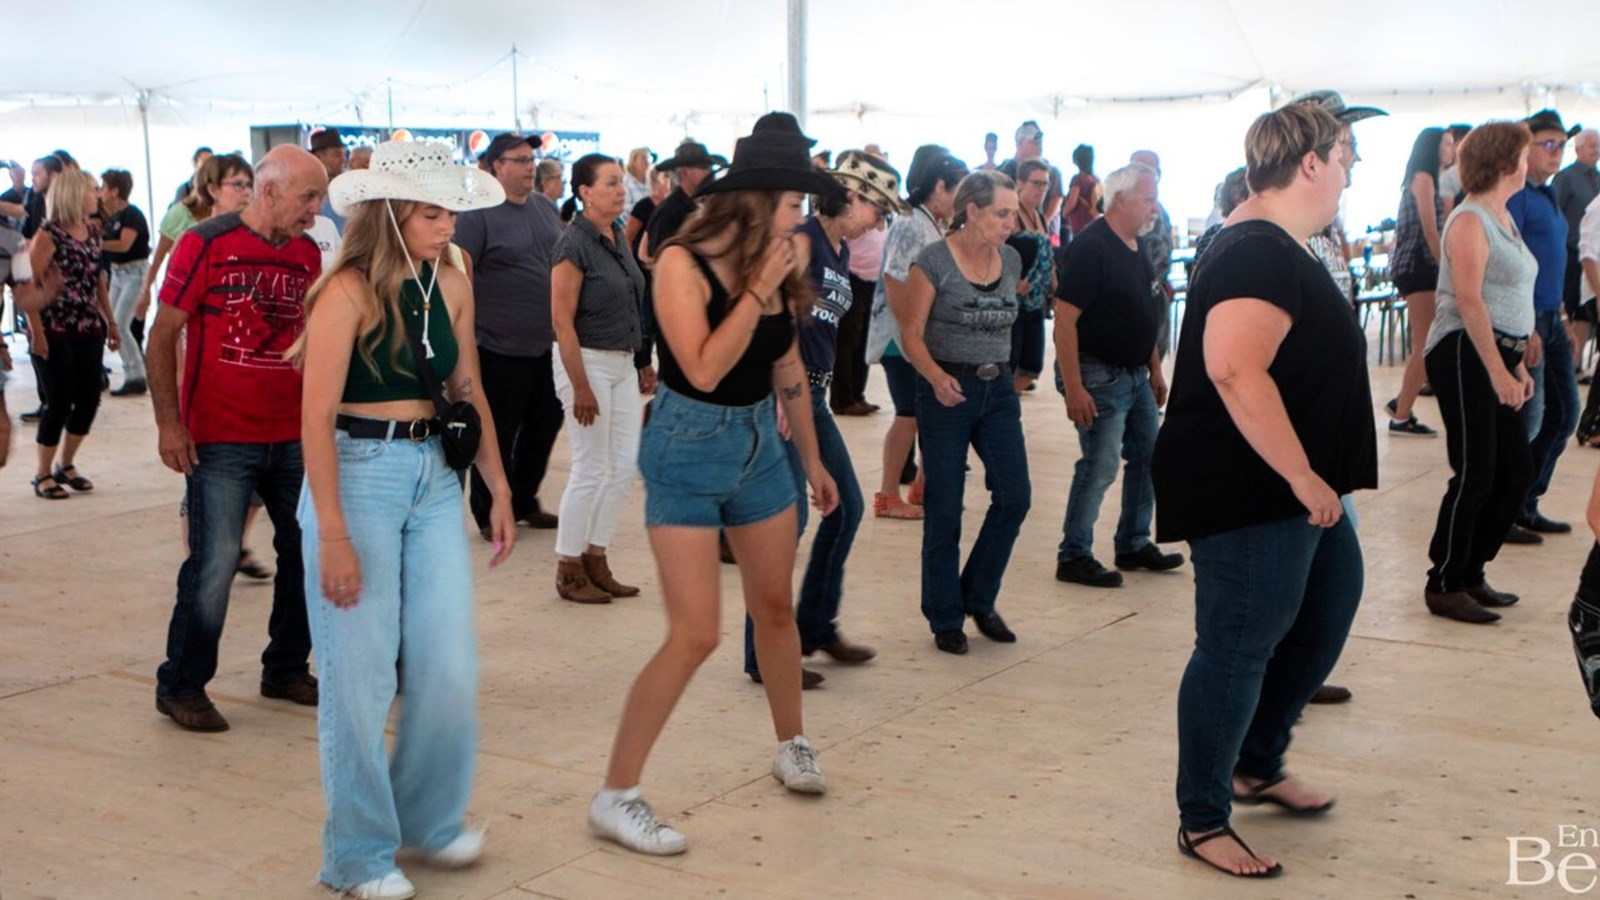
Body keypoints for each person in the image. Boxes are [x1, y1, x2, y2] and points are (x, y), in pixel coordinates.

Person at [588, 112, 841, 856]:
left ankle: (792, 744)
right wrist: (757, 289)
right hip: (687, 445)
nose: (801, 216)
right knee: (696, 633)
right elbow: (700, 369)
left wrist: (814, 459)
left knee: (775, 609)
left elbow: (785, 362)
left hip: (762, 443)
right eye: (793, 202)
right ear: (758, 199)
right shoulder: (680, 261)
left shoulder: (778, 257)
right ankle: (615, 795)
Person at [1152, 102, 1375, 879]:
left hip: (1290, 485)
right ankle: (1203, 818)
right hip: (1250, 488)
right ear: (1310, 163)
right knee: (1236, 647)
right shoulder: (1257, 251)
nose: (1351, 172)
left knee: (1327, 608)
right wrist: (1301, 474)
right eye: (1345, 156)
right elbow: (1233, 367)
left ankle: (1257, 762)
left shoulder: (1277, 242)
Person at [293, 139, 515, 900]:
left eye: (450, 211)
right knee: (357, 675)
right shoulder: (345, 291)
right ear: (389, 215)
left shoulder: (451, 280)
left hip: (436, 475)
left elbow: (467, 388)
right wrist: (332, 531)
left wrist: (497, 486)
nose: (448, 224)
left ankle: (429, 820)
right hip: (358, 474)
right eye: (431, 213)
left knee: (448, 662)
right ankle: (356, 856)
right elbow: (314, 418)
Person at [146, 145, 328, 733]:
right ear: (269, 190)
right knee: (214, 563)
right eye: (308, 197)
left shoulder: (306, 254)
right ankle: (181, 685)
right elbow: (162, 334)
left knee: (306, 554)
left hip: (293, 435)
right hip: (221, 438)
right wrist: (169, 423)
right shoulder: (204, 243)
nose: (316, 210)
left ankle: (286, 668)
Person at [740, 148, 905, 684]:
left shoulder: (838, 247)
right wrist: (780, 392)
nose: (879, 222)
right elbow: (770, 318)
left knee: (847, 508)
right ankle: (764, 653)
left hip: (812, 394)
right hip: (787, 397)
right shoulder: (803, 240)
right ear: (850, 196)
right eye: (877, 209)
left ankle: (814, 625)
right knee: (786, 525)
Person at [897, 170, 1029, 654]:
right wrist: (935, 377)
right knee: (945, 507)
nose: (1011, 223)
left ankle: (978, 596)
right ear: (971, 211)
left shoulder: (1011, 259)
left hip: (998, 391)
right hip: (945, 390)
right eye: (1002, 213)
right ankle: (945, 614)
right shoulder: (933, 261)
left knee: (1015, 497)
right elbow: (910, 334)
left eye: (1014, 213)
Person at [1420, 121, 1539, 625]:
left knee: (1515, 471)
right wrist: (1498, 371)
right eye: (1525, 155)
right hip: (1463, 352)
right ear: (1507, 162)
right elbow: (1469, 301)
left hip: (1493, 356)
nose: (1529, 163)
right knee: (1476, 470)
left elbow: (1506, 294)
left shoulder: (1502, 215)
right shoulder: (1469, 220)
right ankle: (1444, 582)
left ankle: (1471, 570)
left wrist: (1516, 363)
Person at [1054, 162, 1184, 587]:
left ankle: (1132, 541)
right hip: (1098, 373)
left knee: (1149, 456)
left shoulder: (1135, 244)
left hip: (1134, 374)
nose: (1154, 208)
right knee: (1101, 464)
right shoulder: (1091, 248)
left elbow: (1143, 310)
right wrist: (1074, 386)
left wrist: (1155, 369)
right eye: (1149, 199)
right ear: (1121, 200)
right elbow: (1065, 321)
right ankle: (1074, 554)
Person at [549, 154, 650, 604]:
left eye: (620, 181)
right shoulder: (573, 244)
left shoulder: (617, 234)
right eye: (610, 182)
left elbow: (629, 300)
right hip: (585, 362)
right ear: (585, 192)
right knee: (590, 467)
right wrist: (580, 386)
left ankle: (596, 557)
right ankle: (568, 568)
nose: (620, 189)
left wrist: (642, 360)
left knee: (623, 468)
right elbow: (561, 321)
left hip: (622, 364)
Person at [455, 132, 567, 534]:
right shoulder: (477, 214)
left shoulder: (543, 206)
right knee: (497, 432)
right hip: (497, 345)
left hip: (545, 343)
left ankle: (524, 499)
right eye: (519, 160)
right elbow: (459, 273)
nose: (529, 167)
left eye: (531, 159)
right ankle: (489, 511)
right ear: (495, 166)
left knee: (545, 422)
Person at [866, 146, 968, 520]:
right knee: (908, 415)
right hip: (902, 340)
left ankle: (922, 488)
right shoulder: (911, 224)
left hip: (916, 338)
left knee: (928, 415)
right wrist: (913, 337)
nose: (961, 201)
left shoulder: (929, 222)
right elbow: (895, 281)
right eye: (958, 190)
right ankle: (887, 497)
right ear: (939, 186)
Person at [1511, 109, 1583, 539]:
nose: (1557, 152)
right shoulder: (1517, 196)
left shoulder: (1548, 194)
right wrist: (1528, 326)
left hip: (1552, 316)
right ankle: (1506, 509)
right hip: (1529, 319)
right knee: (1532, 419)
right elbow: (1510, 263)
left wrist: (1562, 316)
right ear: (1527, 147)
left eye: (1562, 145)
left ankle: (1526, 501)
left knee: (1565, 414)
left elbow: (1552, 262)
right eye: (1549, 144)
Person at [25, 171, 119, 501]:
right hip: (53, 327)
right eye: (92, 190)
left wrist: (110, 321)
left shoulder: (92, 232)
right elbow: (27, 284)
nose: (97, 195)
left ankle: (65, 464)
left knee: (90, 397)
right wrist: (37, 332)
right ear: (74, 195)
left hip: (87, 327)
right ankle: (42, 472)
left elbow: (98, 280)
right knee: (59, 401)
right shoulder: (47, 235)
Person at [134, 153, 256, 334]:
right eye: (238, 185)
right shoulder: (192, 237)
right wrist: (145, 291)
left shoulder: (257, 237)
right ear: (213, 189)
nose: (247, 192)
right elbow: (171, 314)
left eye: (250, 185)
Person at [1387, 127, 1455, 437]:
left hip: (1424, 266)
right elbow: (1430, 230)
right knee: (1427, 343)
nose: (1451, 149)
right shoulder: (1423, 177)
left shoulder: (1438, 179)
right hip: (1418, 265)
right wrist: (1448, 272)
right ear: (1432, 147)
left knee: (1428, 342)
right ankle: (1401, 416)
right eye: (1446, 143)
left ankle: (1402, 403)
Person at [98, 168, 152, 396]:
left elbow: (124, 245)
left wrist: (96, 244)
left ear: (115, 191)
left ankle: (137, 374)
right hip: (118, 274)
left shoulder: (132, 215)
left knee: (120, 324)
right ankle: (131, 372)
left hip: (134, 273)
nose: (100, 192)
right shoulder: (113, 217)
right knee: (112, 322)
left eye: (103, 187)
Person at [640, 140, 726, 266]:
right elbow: (658, 259)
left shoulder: (709, 204)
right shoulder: (668, 211)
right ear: (685, 172)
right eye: (703, 167)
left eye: (709, 167)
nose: (709, 172)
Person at [1009, 159, 1054, 394]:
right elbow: (994, 251)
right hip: (1013, 302)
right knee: (1011, 361)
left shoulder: (1040, 216)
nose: (1042, 189)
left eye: (1045, 184)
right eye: (1036, 183)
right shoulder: (1011, 215)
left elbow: (1048, 260)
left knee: (1031, 366)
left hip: (1036, 301)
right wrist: (1010, 282)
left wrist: (1056, 291)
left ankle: (1010, 400)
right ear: (1020, 183)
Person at [1555, 129, 1599, 370]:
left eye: (1598, 146)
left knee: (1585, 312)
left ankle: (1575, 365)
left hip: (1594, 257)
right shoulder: (1566, 177)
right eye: (1592, 145)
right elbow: (1555, 211)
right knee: (1568, 307)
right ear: (1579, 149)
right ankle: (1562, 363)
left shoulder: (1597, 178)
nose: (1596, 150)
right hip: (1569, 254)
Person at [1131, 150, 1176, 354]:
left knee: (1156, 351)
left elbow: (1163, 250)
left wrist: (1164, 281)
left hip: (1157, 294)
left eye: (1150, 172)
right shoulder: (1125, 211)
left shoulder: (1160, 211)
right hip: (1134, 296)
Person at [310, 127, 349, 232]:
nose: (343, 160)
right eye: (337, 154)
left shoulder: (346, 191)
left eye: (344, 154)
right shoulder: (304, 191)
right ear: (319, 156)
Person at [1063, 144, 1100, 240]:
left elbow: (1072, 202)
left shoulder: (1078, 179)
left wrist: (1064, 212)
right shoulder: (1096, 179)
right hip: (1094, 223)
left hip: (1080, 225)